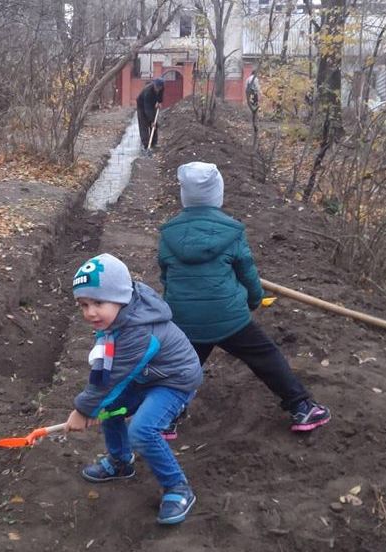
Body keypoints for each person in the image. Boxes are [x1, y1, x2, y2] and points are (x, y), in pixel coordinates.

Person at [158, 162, 331, 436]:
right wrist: (254, 300)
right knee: (265, 355)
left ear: (185, 197)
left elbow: (166, 276)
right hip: (229, 317)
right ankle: (302, 407)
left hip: (185, 320)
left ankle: (166, 418)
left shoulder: (168, 234)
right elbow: (247, 273)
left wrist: (177, 307)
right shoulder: (232, 231)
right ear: (219, 195)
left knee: (181, 368)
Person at [65, 253, 203, 525]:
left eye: (98, 303)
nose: (90, 312)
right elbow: (104, 370)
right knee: (111, 408)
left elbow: (113, 377)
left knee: (142, 430)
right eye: (83, 304)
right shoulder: (115, 318)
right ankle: (120, 461)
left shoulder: (138, 331)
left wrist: (83, 410)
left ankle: (177, 487)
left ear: (120, 297)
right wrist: (95, 407)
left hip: (174, 381)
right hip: (147, 376)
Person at [136, 78, 164, 151]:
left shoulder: (162, 88)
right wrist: (151, 120)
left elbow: (160, 95)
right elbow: (147, 109)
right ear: (154, 85)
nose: (158, 89)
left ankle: (154, 143)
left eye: (159, 87)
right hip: (142, 106)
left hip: (151, 104)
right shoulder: (148, 91)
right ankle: (146, 145)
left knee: (155, 125)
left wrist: (159, 102)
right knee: (144, 124)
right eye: (157, 87)